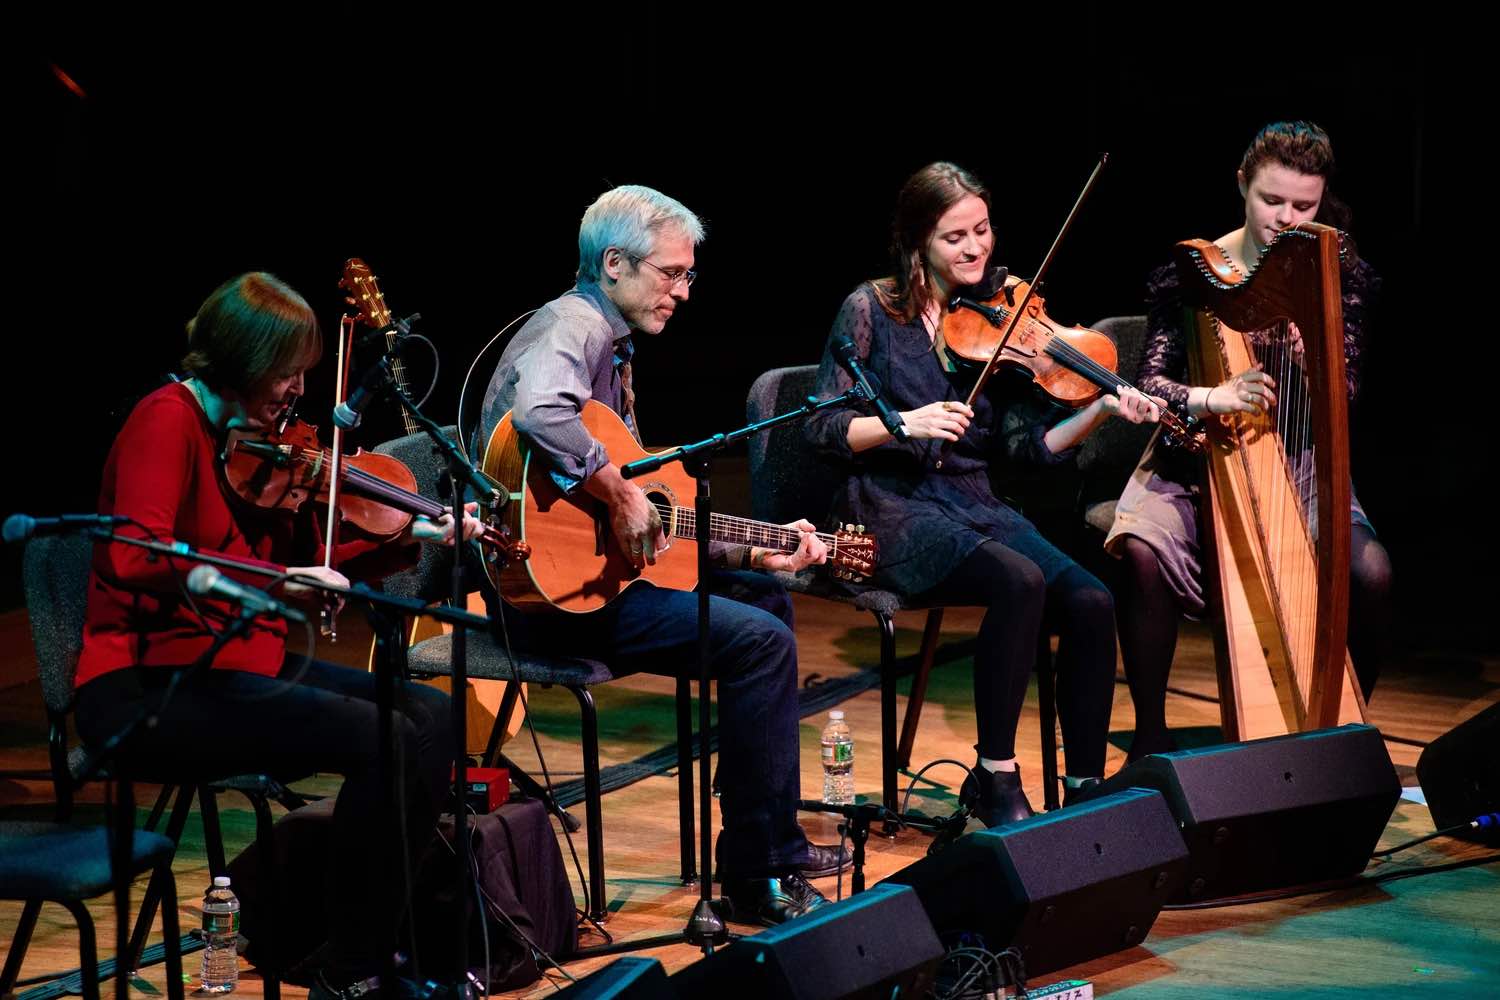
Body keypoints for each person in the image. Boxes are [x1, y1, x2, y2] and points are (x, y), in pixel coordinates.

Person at [74, 272, 481, 1000]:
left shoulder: (247, 442)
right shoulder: (165, 421)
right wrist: (282, 583)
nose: (299, 390)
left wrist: (414, 536)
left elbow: (294, 563)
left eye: (304, 373)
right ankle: (355, 967)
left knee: (436, 717)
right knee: (384, 737)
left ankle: (367, 944)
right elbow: (136, 557)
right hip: (143, 689)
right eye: (287, 371)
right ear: (240, 357)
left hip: (232, 665)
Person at [476, 184, 843, 926]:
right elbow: (540, 410)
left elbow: (655, 519)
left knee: (766, 602)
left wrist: (750, 554)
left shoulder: (612, 347)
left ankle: (765, 833)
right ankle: (757, 873)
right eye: (672, 273)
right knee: (763, 645)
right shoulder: (574, 326)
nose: (683, 291)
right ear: (614, 264)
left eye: (688, 276)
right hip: (547, 599)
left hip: (589, 581)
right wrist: (615, 493)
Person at [804, 162, 1160, 827]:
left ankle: (1083, 786)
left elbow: (1025, 449)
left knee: (1089, 599)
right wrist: (901, 424)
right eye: (954, 237)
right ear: (916, 243)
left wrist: (1103, 410)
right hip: (890, 503)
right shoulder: (872, 309)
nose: (976, 249)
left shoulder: (1003, 318)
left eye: (983, 230)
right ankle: (996, 776)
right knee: (1019, 581)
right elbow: (819, 427)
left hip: (972, 498)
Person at [1105, 121, 1393, 759]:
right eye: (1272, 201)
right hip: (1193, 450)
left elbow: (1343, 400)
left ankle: (1345, 736)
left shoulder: (1340, 272)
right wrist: (1215, 397)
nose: (1286, 219)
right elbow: (1151, 384)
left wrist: (1313, 358)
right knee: (1143, 555)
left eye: (1303, 206)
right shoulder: (1193, 270)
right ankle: (1150, 739)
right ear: (1242, 183)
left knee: (1369, 571)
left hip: (1298, 457)